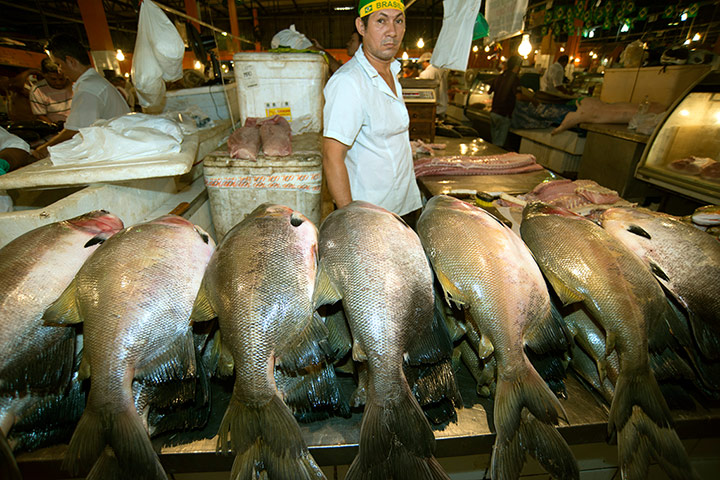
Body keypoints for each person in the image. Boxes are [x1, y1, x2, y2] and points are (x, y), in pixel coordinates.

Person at [322, 0, 422, 222]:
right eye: (381, 21)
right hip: (370, 217)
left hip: (402, 207)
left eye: (398, 21)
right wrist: (351, 222)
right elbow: (332, 156)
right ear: (361, 26)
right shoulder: (349, 82)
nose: (392, 32)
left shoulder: (392, 73)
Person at [32, 34, 130, 159]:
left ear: (71, 61)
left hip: (116, 152)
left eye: (59, 64)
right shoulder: (93, 82)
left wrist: (40, 152)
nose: (60, 71)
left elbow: (75, 130)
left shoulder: (88, 87)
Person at [489, 55, 522, 147]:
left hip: (493, 113)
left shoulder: (499, 77)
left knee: (493, 142)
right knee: (499, 145)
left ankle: (491, 160)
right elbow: (519, 96)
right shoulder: (514, 79)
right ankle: (496, 160)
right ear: (516, 66)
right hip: (503, 115)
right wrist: (532, 99)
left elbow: (489, 91)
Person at [29, 58, 73, 125]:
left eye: (61, 79)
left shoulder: (75, 82)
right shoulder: (37, 90)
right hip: (57, 128)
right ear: (44, 75)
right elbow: (41, 115)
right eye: (53, 79)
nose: (58, 83)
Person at [418, 51, 449, 119]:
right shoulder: (441, 71)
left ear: (425, 62)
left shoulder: (425, 73)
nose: (422, 66)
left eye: (422, 63)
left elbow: (422, 93)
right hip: (443, 107)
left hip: (430, 108)